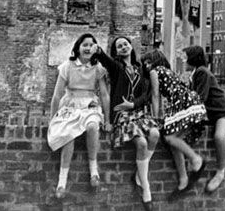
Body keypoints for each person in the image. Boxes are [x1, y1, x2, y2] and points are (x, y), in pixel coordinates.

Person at [93, 37, 161, 210]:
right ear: (116, 51)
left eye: (125, 44)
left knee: (155, 134)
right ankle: (146, 190)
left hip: (137, 111)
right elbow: (105, 60)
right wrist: (98, 50)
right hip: (122, 115)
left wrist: (133, 104)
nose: (123, 47)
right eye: (119, 46)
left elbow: (146, 95)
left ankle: (139, 174)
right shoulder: (116, 68)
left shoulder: (140, 68)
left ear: (131, 46)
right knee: (142, 143)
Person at [46, 33, 111, 200]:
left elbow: (104, 95)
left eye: (91, 45)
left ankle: (93, 170)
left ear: (96, 49)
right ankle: (62, 181)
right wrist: (52, 118)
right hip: (71, 104)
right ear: (78, 48)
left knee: (92, 126)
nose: (88, 47)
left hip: (90, 104)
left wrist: (108, 120)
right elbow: (57, 94)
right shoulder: (67, 67)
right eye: (85, 44)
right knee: (68, 135)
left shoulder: (98, 69)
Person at [139, 49, 208, 202]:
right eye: (145, 63)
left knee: (170, 138)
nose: (146, 65)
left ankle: (196, 160)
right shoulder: (168, 71)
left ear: (156, 61)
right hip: (183, 101)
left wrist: (155, 118)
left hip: (181, 103)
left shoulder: (155, 71)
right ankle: (183, 180)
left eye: (148, 62)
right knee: (173, 141)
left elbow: (156, 95)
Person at [183, 46, 225, 193]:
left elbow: (200, 98)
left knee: (219, 137)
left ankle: (220, 172)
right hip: (212, 115)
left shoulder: (202, 72)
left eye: (185, 57)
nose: (183, 60)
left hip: (223, 114)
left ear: (192, 58)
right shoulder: (195, 73)